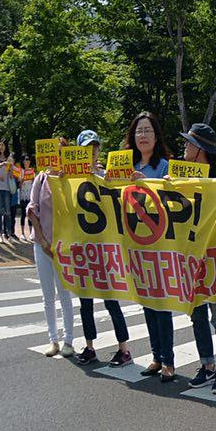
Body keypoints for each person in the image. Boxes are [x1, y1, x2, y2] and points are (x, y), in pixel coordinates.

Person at [59, 131, 135, 367]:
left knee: (111, 299)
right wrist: (61, 180)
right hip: (82, 247)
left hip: (105, 246)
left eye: (95, 148)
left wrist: (106, 179)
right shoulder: (70, 179)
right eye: (86, 148)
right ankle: (90, 346)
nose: (91, 152)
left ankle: (124, 349)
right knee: (85, 302)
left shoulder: (105, 175)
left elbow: (122, 198)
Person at [179, 122, 216, 395]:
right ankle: (206, 364)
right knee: (197, 314)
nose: (185, 147)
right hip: (189, 254)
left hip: (214, 254)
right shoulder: (180, 175)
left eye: (189, 143)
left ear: (200, 149)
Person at [126, 112, 178, 382]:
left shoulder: (164, 167)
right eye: (138, 131)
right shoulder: (124, 166)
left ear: (156, 136)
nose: (142, 135)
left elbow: (170, 200)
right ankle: (156, 356)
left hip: (158, 242)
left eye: (147, 130)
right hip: (133, 242)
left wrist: (147, 183)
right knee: (146, 300)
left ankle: (168, 360)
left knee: (161, 302)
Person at [26, 138, 76, 358]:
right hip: (42, 244)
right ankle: (52, 339)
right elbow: (32, 209)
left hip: (63, 247)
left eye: (60, 152)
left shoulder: (71, 180)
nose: (56, 157)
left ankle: (68, 340)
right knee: (48, 296)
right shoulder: (41, 177)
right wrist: (42, 240)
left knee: (64, 294)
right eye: (53, 153)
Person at [0, 141, 13, 242]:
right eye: (0, 145)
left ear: (6, 146)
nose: (1, 147)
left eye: (3, 145)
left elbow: (11, 174)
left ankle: (8, 234)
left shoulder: (9, 158)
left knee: (8, 212)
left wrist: (10, 171)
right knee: (0, 212)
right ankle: (0, 234)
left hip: (7, 187)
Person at [17, 155, 35, 240]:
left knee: (30, 214)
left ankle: (31, 233)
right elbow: (19, 185)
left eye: (28, 160)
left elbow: (34, 182)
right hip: (23, 195)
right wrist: (22, 179)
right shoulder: (21, 171)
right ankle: (22, 233)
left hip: (30, 194)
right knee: (23, 214)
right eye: (26, 160)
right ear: (23, 161)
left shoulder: (32, 171)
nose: (27, 161)